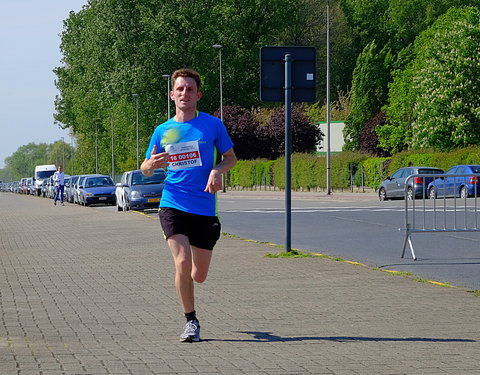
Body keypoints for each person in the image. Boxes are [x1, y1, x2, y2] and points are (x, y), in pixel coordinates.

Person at [141, 68, 237, 342]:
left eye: (190, 89)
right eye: (180, 89)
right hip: (172, 202)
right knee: (182, 263)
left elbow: (230, 157)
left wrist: (217, 170)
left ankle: (191, 292)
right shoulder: (162, 130)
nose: (185, 93)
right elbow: (146, 168)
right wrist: (150, 165)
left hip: (204, 208)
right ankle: (191, 321)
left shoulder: (213, 125)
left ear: (198, 95)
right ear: (172, 95)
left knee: (200, 274)